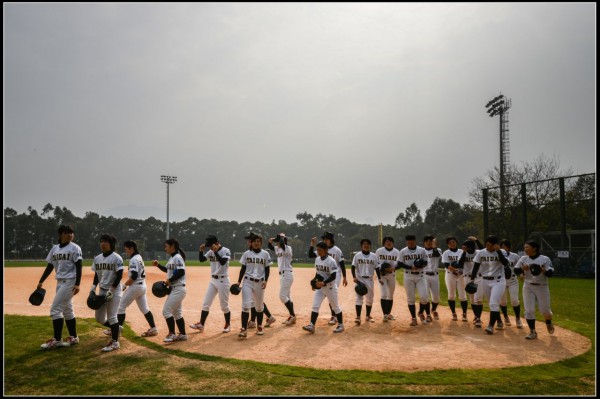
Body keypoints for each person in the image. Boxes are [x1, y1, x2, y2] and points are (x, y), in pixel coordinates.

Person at [37, 224, 83, 349]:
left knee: (55, 309)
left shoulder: (75, 248)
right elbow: (50, 266)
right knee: (67, 310)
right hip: (60, 282)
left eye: (71, 233)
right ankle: (73, 337)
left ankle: (57, 340)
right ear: (61, 234)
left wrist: (77, 284)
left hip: (70, 282)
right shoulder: (55, 249)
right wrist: (41, 280)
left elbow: (79, 266)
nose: (70, 235)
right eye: (67, 232)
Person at [115, 240, 158, 338]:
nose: (126, 251)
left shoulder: (134, 259)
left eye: (126, 249)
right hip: (142, 286)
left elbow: (133, 276)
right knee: (145, 309)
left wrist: (124, 285)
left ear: (132, 248)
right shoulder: (139, 257)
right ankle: (153, 328)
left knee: (120, 306)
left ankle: (117, 330)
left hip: (135, 286)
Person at [190, 235, 232, 334]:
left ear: (217, 243)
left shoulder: (225, 250)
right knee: (206, 304)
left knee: (224, 306)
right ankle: (201, 324)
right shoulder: (211, 251)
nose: (210, 248)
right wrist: (201, 251)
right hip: (213, 280)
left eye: (211, 245)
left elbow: (222, 262)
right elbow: (201, 260)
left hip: (223, 280)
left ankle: (228, 324)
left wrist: (216, 251)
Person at [514, 240, 555, 340]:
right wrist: (523, 269)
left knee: (545, 311)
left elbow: (550, 274)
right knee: (529, 310)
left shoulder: (544, 259)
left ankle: (548, 322)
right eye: (524, 247)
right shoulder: (523, 259)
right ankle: (532, 331)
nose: (525, 249)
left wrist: (542, 270)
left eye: (527, 247)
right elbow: (515, 270)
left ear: (534, 248)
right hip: (528, 286)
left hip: (542, 286)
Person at [233, 234, 272, 338]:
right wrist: (238, 282)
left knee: (259, 307)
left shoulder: (265, 254)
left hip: (260, 283)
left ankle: (259, 326)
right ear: (251, 242)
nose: (256, 243)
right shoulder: (246, 254)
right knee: (246, 305)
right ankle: (243, 329)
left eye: (258, 241)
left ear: (261, 243)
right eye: (254, 241)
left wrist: (266, 280)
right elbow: (243, 269)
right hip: (247, 282)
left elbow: (267, 269)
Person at [469, 235, 509, 334]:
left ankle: (491, 326)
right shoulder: (481, 253)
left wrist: (498, 251)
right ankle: (499, 321)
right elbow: (476, 266)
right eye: (487, 244)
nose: (488, 247)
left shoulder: (502, 252)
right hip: (485, 280)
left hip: (499, 280)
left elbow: (505, 263)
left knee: (493, 303)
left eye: (490, 245)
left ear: (495, 245)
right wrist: (472, 279)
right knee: (492, 304)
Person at [91, 234, 124, 352]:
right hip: (102, 291)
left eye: (106, 241)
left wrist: (112, 290)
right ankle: (117, 329)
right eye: (101, 241)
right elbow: (96, 274)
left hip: (114, 291)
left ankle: (115, 342)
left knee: (112, 317)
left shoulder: (117, 258)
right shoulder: (97, 258)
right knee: (99, 318)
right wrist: (93, 288)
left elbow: (119, 275)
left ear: (111, 244)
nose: (103, 244)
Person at [302, 241, 344, 334]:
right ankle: (311, 325)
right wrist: (314, 283)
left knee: (335, 307)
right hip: (320, 288)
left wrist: (324, 283)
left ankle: (341, 325)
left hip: (330, 287)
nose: (318, 251)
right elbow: (318, 273)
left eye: (320, 250)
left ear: (325, 250)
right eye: (317, 250)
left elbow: (333, 276)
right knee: (315, 306)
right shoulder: (317, 259)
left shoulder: (331, 261)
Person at [152, 238, 188, 343]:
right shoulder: (173, 258)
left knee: (166, 311)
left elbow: (181, 272)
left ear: (172, 246)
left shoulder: (177, 258)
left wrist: (170, 280)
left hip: (178, 288)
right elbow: (167, 269)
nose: (165, 248)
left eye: (166, 246)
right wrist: (158, 265)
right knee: (177, 314)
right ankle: (182, 335)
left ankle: (172, 334)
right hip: (175, 289)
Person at [309, 231, 347, 325]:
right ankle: (312, 324)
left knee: (332, 299)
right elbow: (310, 255)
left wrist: (345, 277)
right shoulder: (320, 251)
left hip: (335, 275)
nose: (325, 240)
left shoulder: (337, 250)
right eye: (324, 239)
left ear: (331, 240)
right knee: (316, 304)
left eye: (327, 239)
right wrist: (312, 245)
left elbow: (342, 264)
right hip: (323, 277)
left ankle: (334, 317)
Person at [243, 232, 276, 329]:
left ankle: (264, 318)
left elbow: (267, 268)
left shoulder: (263, 253)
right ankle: (255, 320)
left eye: (250, 240)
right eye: (251, 240)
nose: (249, 242)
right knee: (254, 301)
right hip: (250, 280)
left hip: (258, 280)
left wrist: (266, 280)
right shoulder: (249, 252)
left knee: (257, 302)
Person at [396, 234, 429, 326]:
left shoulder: (421, 250)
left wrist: (421, 265)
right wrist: (411, 267)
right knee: (411, 299)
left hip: (421, 275)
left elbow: (426, 262)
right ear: (406, 242)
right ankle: (414, 318)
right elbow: (400, 263)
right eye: (408, 242)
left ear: (415, 241)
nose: (410, 244)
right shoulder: (403, 251)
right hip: (408, 276)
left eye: (412, 242)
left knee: (424, 297)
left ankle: (421, 312)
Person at [268, 233, 296, 325]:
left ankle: (292, 315)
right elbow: (270, 245)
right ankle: (292, 316)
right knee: (287, 296)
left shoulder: (288, 248)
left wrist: (281, 238)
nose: (277, 242)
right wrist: (272, 240)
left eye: (278, 241)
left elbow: (283, 244)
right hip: (282, 275)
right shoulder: (278, 249)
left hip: (287, 274)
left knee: (282, 296)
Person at [351, 239, 378, 324]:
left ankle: (368, 316)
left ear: (370, 246)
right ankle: (358, 317)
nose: (366, 245)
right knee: (359, 298)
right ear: (361, 246)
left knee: (369, 298)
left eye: (367, 244)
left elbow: (377, 268)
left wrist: (380, 278)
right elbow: (353, 266)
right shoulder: (357, 255)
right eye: (364, 244)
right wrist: (354, 277)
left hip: (370, 279)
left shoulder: (374, 256)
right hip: (360, 279)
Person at [498, 239, 523, 329]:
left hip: (512, 280)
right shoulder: (497, 256)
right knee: (503, 301)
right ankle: (505, 317)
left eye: (504, 246)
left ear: (508, 247)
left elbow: (520, 267)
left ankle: (517, 318)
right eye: (501, 246)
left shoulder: (515, 256)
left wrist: (521, 273)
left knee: (515, 300)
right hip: (501, 281)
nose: (503, 248)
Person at [375, 236, 400, 321]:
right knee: (384, 294)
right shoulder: (379, 251)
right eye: (386, 241)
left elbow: (399, 264)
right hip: (382, 275)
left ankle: (388, 314)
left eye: (390, 241)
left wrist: (394, 268)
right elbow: (376, 263)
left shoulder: (397, 252)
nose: (388, 243)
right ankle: (385, 314)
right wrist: (379, 273)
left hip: (392, 275)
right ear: (384, 243)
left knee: (390, 295)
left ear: (393, 243)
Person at [458, 237, 483, 322]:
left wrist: (476, 240)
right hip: (467, 278)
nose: (465, 248)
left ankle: (478, 317)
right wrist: (464, 252)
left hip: (479, 277)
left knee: (478, 299)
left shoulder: (479, 252)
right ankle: (477, 316)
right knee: (472, 299)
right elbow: (460, 264)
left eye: (466, 247)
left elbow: (484, 249)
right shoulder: (462, 254)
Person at [442, 236, 466, 322]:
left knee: (462, 295)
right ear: (448, 244)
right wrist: (455, 270)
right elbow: (446, 265)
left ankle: (464, 314)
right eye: (450, 242)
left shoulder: (462, 252)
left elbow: (463, 263)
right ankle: (454, 313)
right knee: (451, 295)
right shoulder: (446, 253)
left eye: (453, 242)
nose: (452, 243)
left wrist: (459, 271)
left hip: (461, 275)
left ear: (456, 242)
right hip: (450, 275)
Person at [422, 235, 442, 321]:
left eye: (431, 241)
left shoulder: (438, 250)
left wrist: (434, 247)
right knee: (425, 296)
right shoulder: (421, 251)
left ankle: (433, 310)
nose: (429, 242)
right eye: (427, 241)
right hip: (424, 275)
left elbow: (437, 255)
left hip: (435, 275)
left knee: (436, 297)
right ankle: (428, 314)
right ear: (424, 242)